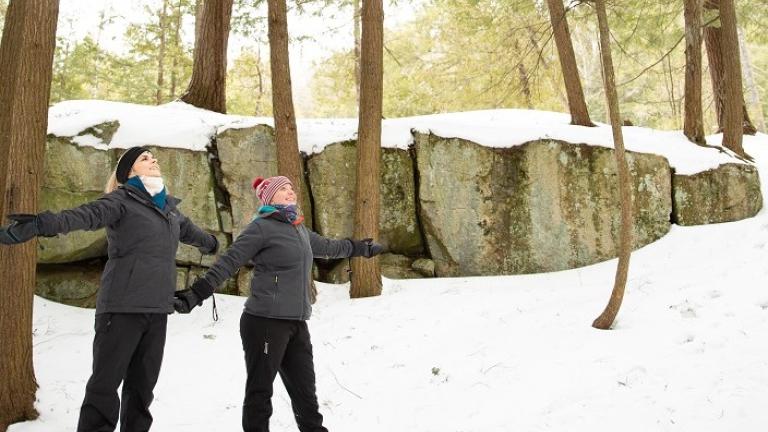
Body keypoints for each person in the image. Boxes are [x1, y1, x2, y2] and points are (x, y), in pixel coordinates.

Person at [0, 146, 219, 432]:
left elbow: (194, 234)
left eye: (153, 157)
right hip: (121, 308)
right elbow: (84, 215)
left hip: (157, 311)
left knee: (141, 392)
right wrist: (44, 223)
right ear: (128, 172)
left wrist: (212, 243)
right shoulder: (121, 201)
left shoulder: (169, 210)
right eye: (144, 158)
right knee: (104, 389)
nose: (153, 160)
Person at [173, 174, 382, 432]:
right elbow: (230, 261)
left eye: (291, 188)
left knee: (306, 396)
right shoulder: (261, 227)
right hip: (265, 322)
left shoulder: (298, 228)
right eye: (283, 189)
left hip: (296, 323)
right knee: (260, 394)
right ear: (270, 197)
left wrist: (359, 248)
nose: (290, 192)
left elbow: (329, 246)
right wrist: (197, 293)